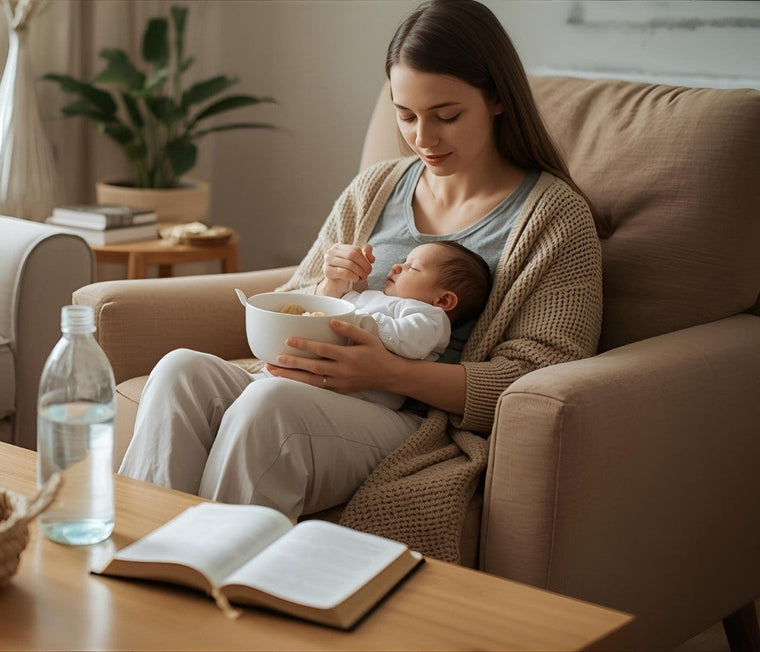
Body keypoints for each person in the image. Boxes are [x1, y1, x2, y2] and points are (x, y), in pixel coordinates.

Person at [118, 0, 602, 562]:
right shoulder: (376, 187)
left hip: (410, 417)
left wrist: (393, 371)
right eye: (406, 115)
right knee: (181, 370)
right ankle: (136, 562)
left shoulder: (554, 218)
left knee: (268, 407)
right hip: (305, 383)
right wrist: (326, 287)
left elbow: (536, 379)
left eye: (446, 115)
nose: (423, 137)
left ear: (497, 99)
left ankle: (215, 598)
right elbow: (297, 300)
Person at [324, 240, 492, 410]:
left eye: (413, 268)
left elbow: (406, 339)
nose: (397, 266)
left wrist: (356, 321)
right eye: (405, 261)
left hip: (366, 398)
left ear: (443, 300)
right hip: (330, 375)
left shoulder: (431, 317)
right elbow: (344, 301)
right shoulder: (379, 298)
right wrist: (351, 280)